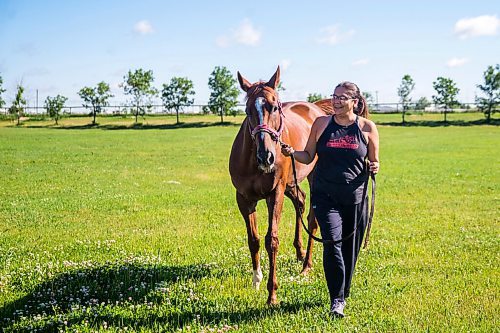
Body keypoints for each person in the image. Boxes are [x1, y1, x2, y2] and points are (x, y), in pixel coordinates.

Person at [281, 81, 379, 317]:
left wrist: (375, 166)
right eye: (334, 96)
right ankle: (336, 299)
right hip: (325, 196)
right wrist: (293, 152)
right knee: (332, 244)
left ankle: (343, 291)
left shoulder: (367, 128)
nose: (336, 101)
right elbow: (308, 155)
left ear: (354, 102)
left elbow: (374, 161)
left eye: (342, 97)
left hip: (355, 199)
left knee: (350, 249)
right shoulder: (321, 124)